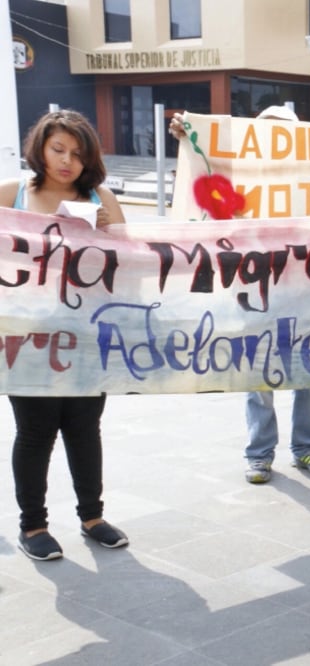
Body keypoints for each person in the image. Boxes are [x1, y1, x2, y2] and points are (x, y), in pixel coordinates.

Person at [169, 106, 310, 484]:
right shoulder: (238, 185)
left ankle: (307, 448)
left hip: (306, 292)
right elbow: (208, 193)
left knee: (308, 373)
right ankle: (260, 454)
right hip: (254, 293)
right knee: (257, 376)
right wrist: (192, 141)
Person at [0, 109, 129, 560]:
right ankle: (32, 525)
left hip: (88, 337)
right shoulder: (12, 193)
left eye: (77, 153)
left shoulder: (102, 197)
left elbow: (130, 265)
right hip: (26, 339)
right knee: (35, 433)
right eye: (58, 149)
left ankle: (92, 517)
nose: (66, 161)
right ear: (40, 147)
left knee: (84, 427)